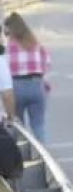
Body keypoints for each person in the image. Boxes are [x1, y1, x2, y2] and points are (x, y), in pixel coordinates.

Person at [5, 13, 47, 142]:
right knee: (38, 125)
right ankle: (43, 154)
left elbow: (5, 70)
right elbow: (46, 64)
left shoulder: (9, 48)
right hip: (36, 85)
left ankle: (23, 156)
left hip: (17, 86)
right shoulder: (35, 44)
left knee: (19, 127)